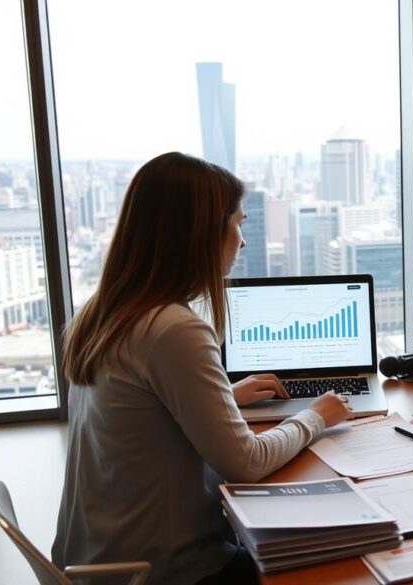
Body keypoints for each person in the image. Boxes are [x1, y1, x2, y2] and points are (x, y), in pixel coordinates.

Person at [51, 152, 352, 585]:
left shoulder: (103, 311)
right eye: (239, 223)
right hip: (164, 572)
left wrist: (224, 397)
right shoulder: (173, 329)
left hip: (98, 558)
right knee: (332, 561)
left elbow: (144, 419)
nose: (242, 241)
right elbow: (246, 463)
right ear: (202, 235)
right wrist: (315, 416)